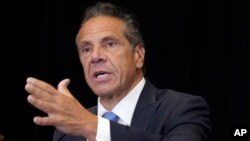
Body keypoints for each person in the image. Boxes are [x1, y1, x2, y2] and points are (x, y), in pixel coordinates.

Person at [25, 2, 211, 141]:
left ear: (138, 55)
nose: (95, 56)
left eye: (109, 44)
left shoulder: (181, 109)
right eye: (86, 49)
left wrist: (91, 126)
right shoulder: (67, 130)